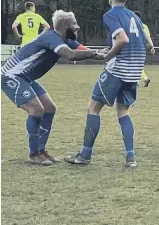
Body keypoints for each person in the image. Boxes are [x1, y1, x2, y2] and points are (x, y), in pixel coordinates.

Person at [64, 0, 149, 168]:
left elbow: (123, 39)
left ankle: (85, 155)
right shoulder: (135, 17)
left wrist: (107, 56)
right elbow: (147, 43)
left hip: (118, 69)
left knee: (93, 108)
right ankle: (130, 157)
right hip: (134, 71)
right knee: (123, 112)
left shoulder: (110, 15)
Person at [1, 10, 104, 165]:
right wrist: (96, 52)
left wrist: (112, 53)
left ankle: (41, 151)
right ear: (64, 26)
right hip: (11, 76)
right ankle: (33, 154)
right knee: (36, 109)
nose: (77, 27)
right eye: (74, 24)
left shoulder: (66, 40)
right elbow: (70, 55)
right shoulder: (50, 37)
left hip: (25, 78)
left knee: (49, 108)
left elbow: (86, 52)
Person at [134, 11, 155, 87]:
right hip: (143, 48)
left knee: (134, 65)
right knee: (138, 65)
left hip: (135, 47)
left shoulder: (133, 25)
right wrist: (152, 46)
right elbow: (148, 37)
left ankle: (144, 79)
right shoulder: (145, 26)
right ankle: (137, 81)